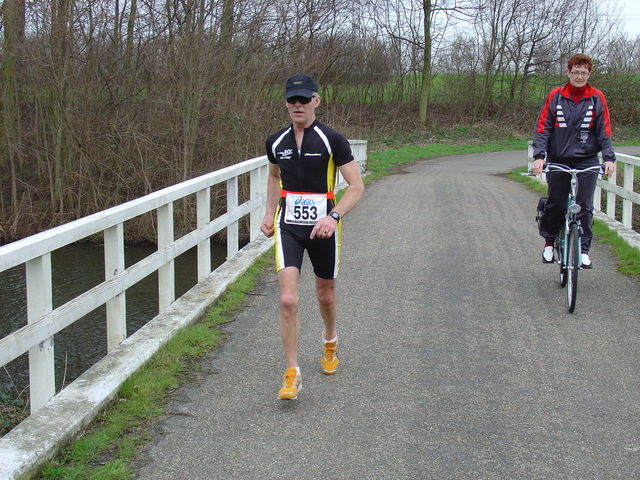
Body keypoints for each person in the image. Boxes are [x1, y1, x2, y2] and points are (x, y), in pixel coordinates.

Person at [260, 74, 364, 400]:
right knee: (288, 299)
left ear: (316, 101)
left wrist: (333, 217)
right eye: (292, 100)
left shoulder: (333, 139)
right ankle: (292, 373)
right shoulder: (276, 142)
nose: (298, 105)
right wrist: (267, 213)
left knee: (326, 297)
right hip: (288, 225)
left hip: (324, 226)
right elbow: (274, 176)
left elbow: (357, 187)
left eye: (304, 99)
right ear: (286, 104)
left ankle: (330, 341)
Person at [532, 53, 615, 268]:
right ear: (568, 73)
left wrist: (608, 158)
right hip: (559, 159)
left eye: (584, 73)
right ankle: (549, 242)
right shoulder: (556, 96)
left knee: (585, 205)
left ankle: (583, 250)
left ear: (589, 74)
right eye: (576, 72)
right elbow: (543, 128)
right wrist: (540, 156)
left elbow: (604, 131)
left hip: (586, 160)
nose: (579, 77)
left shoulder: (597, 98)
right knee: (556, 202)